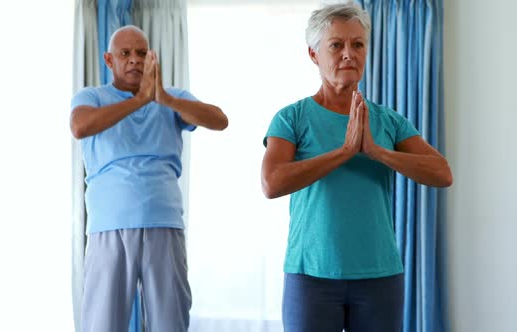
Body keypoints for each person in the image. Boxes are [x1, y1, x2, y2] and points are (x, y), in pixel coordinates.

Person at [261, 3, 452, 332]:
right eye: (336, 45)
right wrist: (346, 151)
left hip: (379, 275)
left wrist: (377, 152)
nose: (348, 53)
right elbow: (272, 183)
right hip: (312, 276)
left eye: (358, 44)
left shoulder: (388, 120)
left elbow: (441, 173)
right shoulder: (291, 118)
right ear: (313, 54)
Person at [70, 25, 228, 332]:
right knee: (102, 324)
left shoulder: (172, 99)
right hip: (109, 228)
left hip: (164, 223)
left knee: (170, 323)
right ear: (108, 59)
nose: (134, 60)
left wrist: (162, 98)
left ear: (152, 57)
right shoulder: (92, 96)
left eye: (141, 53)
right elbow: (80, 126)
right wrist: (140, 100)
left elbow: (219, 120)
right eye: (125, 53)